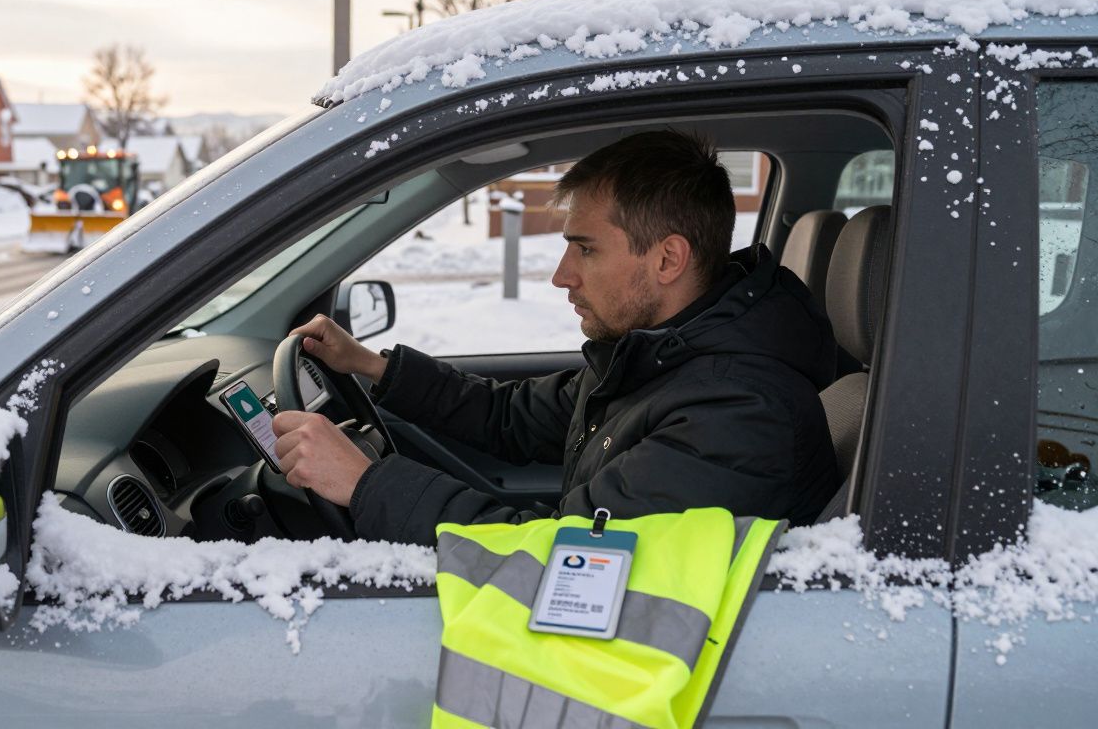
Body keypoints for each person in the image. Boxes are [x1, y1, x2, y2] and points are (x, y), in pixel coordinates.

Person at [272, 131, 840, 546]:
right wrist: (372, 366)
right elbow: (509, 416)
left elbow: (568, 563)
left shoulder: (737, 414)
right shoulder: (659, 355)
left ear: (668, 258)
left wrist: (366, 484)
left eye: (586, 248)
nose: (562, 274)